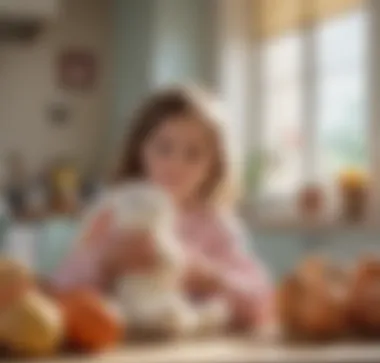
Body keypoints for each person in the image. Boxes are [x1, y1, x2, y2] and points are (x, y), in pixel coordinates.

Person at [52, 86, 274, 331]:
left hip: (194, 354)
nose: (176, 164)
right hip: (118, 352)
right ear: (140, 150)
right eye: (164, 148)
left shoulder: (216, 226)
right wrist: (105, 263)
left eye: (193, 154)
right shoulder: (112, 214)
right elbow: (60, 290)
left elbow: (262, 302)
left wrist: (209, 278)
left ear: (213, 166)